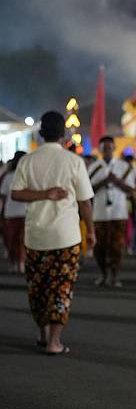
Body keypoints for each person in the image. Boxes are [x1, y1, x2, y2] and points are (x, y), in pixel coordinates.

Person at [11, 111, 95, 354]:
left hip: (35, 236)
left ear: (40, 133)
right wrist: (91, 231)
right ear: (63, 134)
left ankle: (42, 332)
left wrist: (42, 195)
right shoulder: (73, 161)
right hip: (66, 236)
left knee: (38, 286)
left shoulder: (27, 160)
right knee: (61, 288)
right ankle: (54, 342)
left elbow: (16, 194)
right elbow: (85, 203)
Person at [88, 136, 135, 287]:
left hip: (118, 212)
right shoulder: (94, 167)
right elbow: (87, 191)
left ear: (114, 149)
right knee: (99, 247)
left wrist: (117, 181)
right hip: (100, 214)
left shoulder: (124, 166)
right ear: (100, 150)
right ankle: (103, 274)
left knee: (116, 246)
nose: (107, 151)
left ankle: (115, 276)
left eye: (109, 148)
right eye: (103, 148)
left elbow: (131, 189)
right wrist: (104, 182)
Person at [0, 151, 27, 274]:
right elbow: (3, 196)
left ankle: (20, 263)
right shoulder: (9, 176)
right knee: (12, 241)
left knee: (19, 240)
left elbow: (3, 197)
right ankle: (15, 262)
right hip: (12, 213)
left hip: (20, 213)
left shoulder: (27, 176)